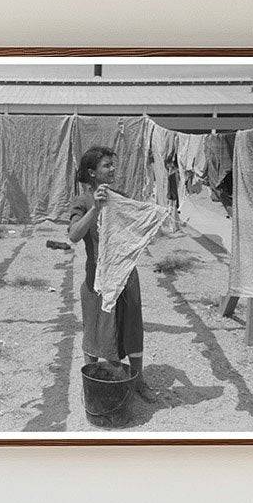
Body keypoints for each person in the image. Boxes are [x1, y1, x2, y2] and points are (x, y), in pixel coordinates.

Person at [68, 146, 158, 402]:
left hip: (127, 277)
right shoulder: (82, 202)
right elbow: (74, 235)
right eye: (106, 165)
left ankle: (138, 381)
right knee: (95, 330)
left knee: (131, 328)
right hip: (97, 280)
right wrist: (96, 208)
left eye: (113, 165)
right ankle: (93, 382)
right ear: (91, 172)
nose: (112, 169)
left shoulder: (121, 197)